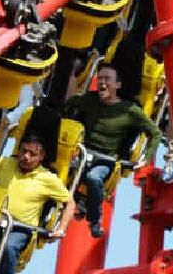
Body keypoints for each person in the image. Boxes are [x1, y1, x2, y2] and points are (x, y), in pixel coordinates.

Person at [65, 62, 162, 237]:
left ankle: (94, 220)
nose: (102, 82)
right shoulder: (89, 100)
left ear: (117, 85)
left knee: (94, 178)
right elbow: (69, 103)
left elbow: (154, 133)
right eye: (100, 78)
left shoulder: (129, 111)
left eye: (107, 79)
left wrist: (145, 159)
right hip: (82, 153)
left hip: (105, 159)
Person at [0, 134, 75, 274]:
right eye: (24, 151)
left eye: (32, 154)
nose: (26, 157)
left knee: (8, 248)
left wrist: (61, 229)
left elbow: (69, 203)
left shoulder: (47, 178)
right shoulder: (5, 164)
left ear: (41, 157)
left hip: (20, 228)